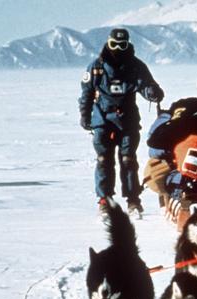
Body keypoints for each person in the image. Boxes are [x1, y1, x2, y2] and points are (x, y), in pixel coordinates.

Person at [79, 28, 164, 216]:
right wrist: (85, 115)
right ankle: (104, 200)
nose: (117, 49)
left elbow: (147, 85)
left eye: (122, 45)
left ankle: (133, 200)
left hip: (127, 120)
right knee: (104, 160)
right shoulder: (96, 67)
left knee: (128, 160)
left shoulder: (136, 66)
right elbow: (86, 93)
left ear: (128, 45)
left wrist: (153, 93)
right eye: (114, 44)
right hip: (102, 119)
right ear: (108, 44)